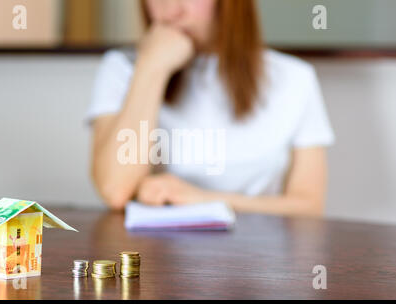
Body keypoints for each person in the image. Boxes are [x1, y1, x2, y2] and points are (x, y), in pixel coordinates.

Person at [87, 0, 335, 216]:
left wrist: (203, 200)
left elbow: (309, 207)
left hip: (264, 260)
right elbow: (116, 191)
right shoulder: (122, 69)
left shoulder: (295, 78)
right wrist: (151, 68)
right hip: (159, 258)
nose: (171, 11)